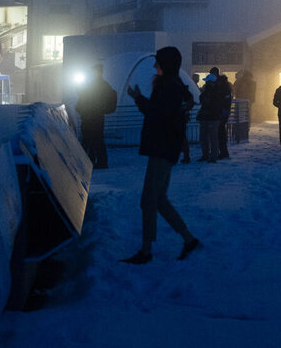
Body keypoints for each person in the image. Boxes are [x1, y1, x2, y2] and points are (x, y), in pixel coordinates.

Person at [120, 46, 200, 264]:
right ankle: (188, 239)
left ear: (166, 64)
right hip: (166, 149)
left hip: (161, 149)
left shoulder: (168, 88)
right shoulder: (175, 87)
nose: (155, 66)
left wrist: (138, 98)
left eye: (158, 62)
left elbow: (156, 114)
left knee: (149, 200)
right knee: (159, 199)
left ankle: (146, 251)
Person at [75, 63, 117, 169]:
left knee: (90, 140)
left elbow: (87, 99)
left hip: (90, 117)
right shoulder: (103, 85)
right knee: (96, 140)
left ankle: (92, 161)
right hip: (97, 117)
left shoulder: (95, 86)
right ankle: (97, 160)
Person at [197, 71, 223, 163]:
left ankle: (213, 156)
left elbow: (215, 104)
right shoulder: (207, 91)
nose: (206, 83)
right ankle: (206, 155)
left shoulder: (216, 92)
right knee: (204, 137)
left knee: (212, 137)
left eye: (207, 81)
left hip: (213, 117)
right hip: (207, 117)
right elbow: (202, 100)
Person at [214, 71, 234, 159]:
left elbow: (223, 101)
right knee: (221, 132)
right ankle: (223, 152)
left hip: (222, 112)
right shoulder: (226, 88)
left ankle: (223, 152)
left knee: (220, 132)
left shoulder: (223, 89)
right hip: (224, 112)